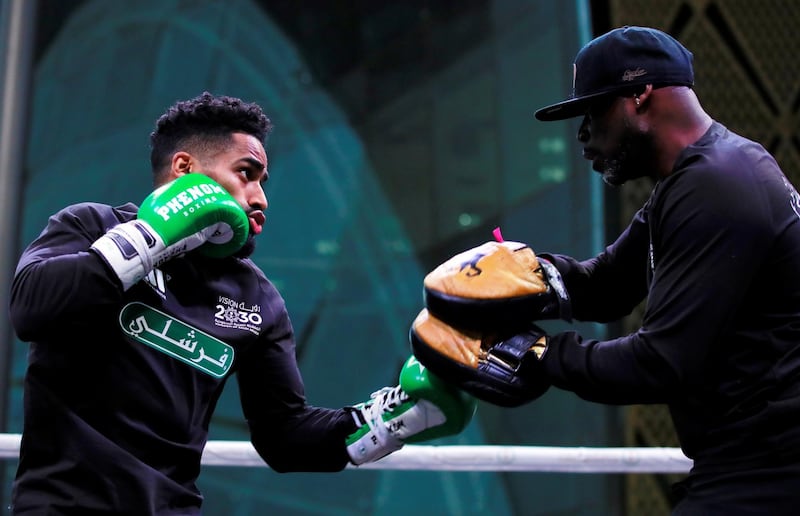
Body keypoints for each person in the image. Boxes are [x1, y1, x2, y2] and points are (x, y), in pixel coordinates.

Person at [8, 92, 475, 515]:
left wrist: (396, 421)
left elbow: (285, 437)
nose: (260, 198)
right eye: (246, 174)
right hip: (61, 507)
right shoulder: (91, 225)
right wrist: (150, 237)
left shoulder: (256, 297)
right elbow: (31, 307)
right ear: (185, 169)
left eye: (264, 181)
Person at [413, 26, 800, 515]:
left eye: (593, 111)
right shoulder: (696, 179)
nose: (582, 134)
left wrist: (534, 353)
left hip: (772, 475)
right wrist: (532, 274)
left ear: (639, 94)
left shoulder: (718, 185)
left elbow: (660, 363)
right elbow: (607, 287)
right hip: (751, 468)